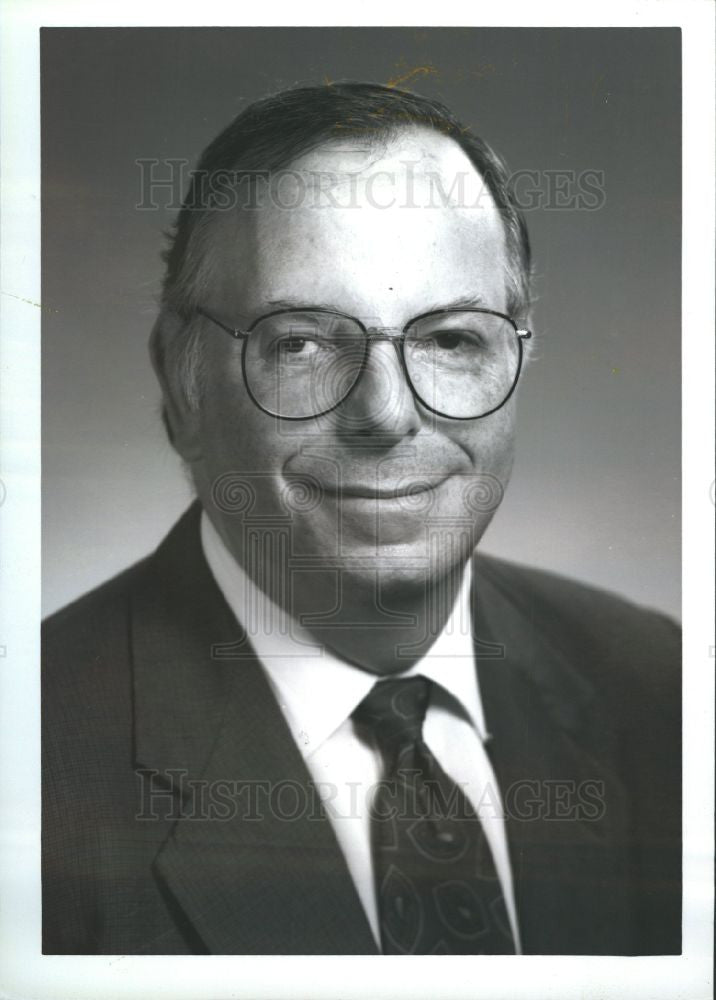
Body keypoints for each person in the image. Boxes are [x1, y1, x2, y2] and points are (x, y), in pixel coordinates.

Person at [42, 82, 681, 956]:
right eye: (301, 341)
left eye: (451, 339)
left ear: (520, 357)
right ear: (182, 382)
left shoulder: (664, 692)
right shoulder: (35, 766)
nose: (385, 413)